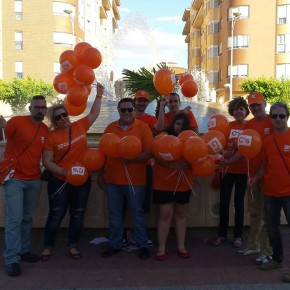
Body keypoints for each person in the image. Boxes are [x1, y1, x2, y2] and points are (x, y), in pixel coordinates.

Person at [40, 83, 104, 261]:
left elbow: (93, 114)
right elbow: (47, 161)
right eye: (58, 117)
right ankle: (47, 246)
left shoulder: (79, 126)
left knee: (78, 213)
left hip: (82, 181)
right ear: (54, 121)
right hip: (60, 181)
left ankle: (73, 245)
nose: (63, 118)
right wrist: (64, 172)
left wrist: (98, 95)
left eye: (64, 114)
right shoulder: (52, 137)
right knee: (56, 214)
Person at [0, 95, 49, 277]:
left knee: (27, 218)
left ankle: (23, 251)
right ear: (30, 107)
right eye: (37, 107)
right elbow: (2, 137)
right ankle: (12, 259)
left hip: (34, 179)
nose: (40, 110)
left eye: (43, 107)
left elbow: (48, 155)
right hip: (14, 178)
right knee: (14, 219)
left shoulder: (45, 129)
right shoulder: (17, 122)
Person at [101, 97, 153, 260]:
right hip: (113, 179)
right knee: (114, 214)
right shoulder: (110, 127)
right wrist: (101, 173)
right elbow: (104, 150)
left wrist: (131, 159)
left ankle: (142, 244)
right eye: (123, 110)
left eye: (129, 109)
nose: (126, 113)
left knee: (138, 213)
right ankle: (115, 244)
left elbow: (149, 152)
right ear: (118, 111)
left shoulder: (143, 128)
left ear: (134, 110)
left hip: (136, 180)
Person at [225, 92, 273, 265]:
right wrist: (228, 160)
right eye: (252, 105)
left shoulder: (272, 121)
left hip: (269, 175)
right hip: (252, 175)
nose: (255, 107)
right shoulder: (249, 125)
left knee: (268, 214)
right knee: (254, 212)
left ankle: (267, 250)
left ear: (265, 103)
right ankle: (253, 245)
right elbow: (241, 149)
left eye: (258, 104)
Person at [249, 102, 290, 278]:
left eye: (282, 116)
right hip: (271, 192)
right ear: (270, 118)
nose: (278, 119)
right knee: (272, 228)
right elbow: (265, 165)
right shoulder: (267, 141)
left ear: (287, 116)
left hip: (289, 192)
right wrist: (255, 178)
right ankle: (277, 260)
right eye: (274, 116)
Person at [153, 113, 194, 261]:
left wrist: (189, 164)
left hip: (183, 183)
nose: (179, 127)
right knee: (165, 214)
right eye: (178, 124)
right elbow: (155, 155)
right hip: (164, 183)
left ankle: (181, 246)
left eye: (183, 125)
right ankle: (161, 248)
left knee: (180, 214)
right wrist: (169, 164)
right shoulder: (164, 136)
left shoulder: (191, 138)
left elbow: (198, 156)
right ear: (173, 124)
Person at [210, 97, 249, 248]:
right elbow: (218, 143)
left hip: (242, 171)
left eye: (241, 108)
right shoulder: (227, 127)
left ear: (246, 111)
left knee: (238, 204)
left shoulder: (250, 127)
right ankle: (222, 235)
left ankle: (238, 236)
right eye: (236, 109)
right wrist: (224, 151)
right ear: (231, 112)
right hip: (227, 170)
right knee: (224, 203)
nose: (238, 111)